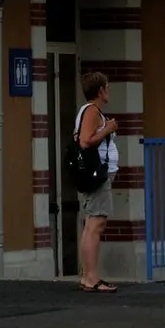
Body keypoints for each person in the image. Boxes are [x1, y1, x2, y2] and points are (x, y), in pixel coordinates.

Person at [73, 71, 119, 292]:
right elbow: (84, 141)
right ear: (100, 90)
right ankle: (91, 277)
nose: (108, 91)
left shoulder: (89, 111)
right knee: (95, 224)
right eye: (107, 87)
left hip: (96, 175)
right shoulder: (92, 111)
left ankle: (88, 275)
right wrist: (107, 130)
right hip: (97, 175)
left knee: (92, 223)